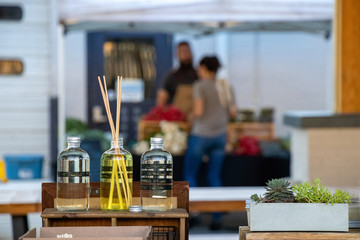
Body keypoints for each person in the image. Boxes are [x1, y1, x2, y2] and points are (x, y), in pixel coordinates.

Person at [183, 56, 236, 230]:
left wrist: (189, 117)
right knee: (214, 176)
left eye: (200, 68)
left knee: (190, 174)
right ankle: (217, 217)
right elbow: (233, 112)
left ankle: (194, 214)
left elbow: (198, 110)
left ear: (204, 68)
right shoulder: (225, 86)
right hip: (220, 136)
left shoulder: (200, 85)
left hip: (201, 135)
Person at [156, 41, 198, 107]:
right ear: (177, 54)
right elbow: (161, 102)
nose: (186, 55)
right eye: (182, 52)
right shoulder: (171, 77)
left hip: (197, 116)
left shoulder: (199, 75)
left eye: (187, 51)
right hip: (178, 116)